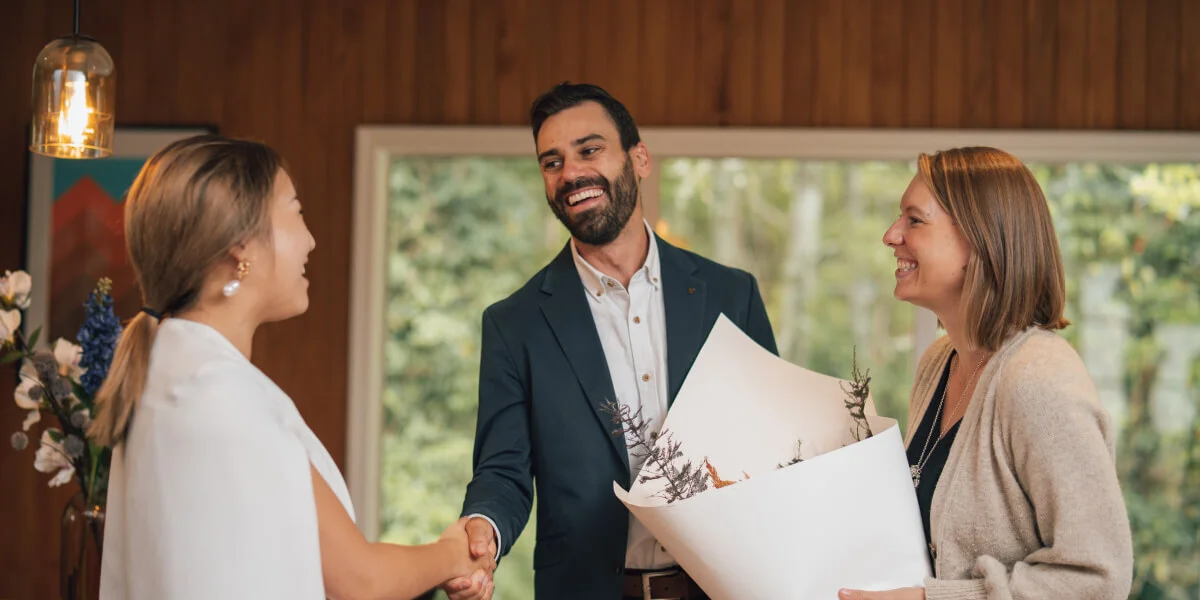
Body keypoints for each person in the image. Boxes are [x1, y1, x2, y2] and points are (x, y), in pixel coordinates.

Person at [90, 135, 494, 599]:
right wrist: (454, 553)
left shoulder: (171, 373)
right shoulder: (218, 393)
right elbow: (361, 580)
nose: (310, 239)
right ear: (241, 245)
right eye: (295, 211)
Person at [439, 82, 778, 600]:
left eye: (590, 150)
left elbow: (774, 445)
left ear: (639, 159)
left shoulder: (733, 296)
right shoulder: (514, 325)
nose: (571, 173)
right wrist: (483, 529)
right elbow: (502, 472)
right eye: (552, 162)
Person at [839, 147, 1133, 599]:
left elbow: (1099, 577)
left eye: (914, 220)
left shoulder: (1039, 379)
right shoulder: (939, 361)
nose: (891, 235)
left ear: (981, 239)